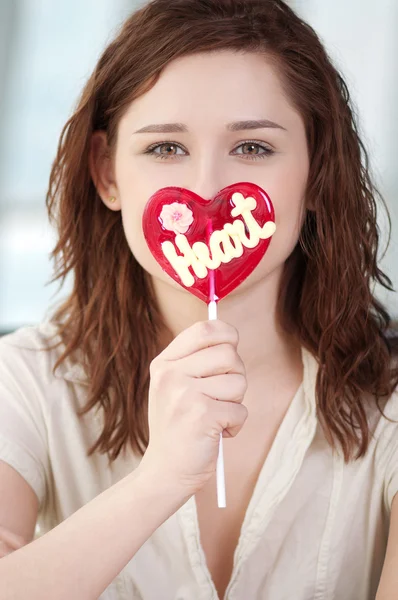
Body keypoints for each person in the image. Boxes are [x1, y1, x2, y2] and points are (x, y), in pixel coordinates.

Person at [0, 0, 397, 598]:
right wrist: (158, 481)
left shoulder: (388, 401)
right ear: (107, 174)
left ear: (316, 173)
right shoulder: (24, 384)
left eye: (254, 148)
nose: (207, 188)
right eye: (165, 149)